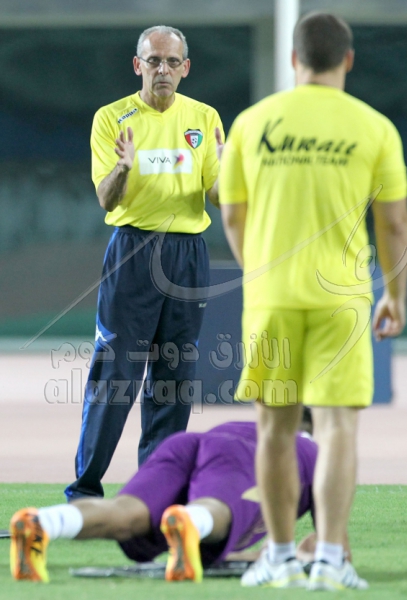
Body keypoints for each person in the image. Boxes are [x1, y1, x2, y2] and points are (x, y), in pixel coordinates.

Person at [219, 12, 407, 592]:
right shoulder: (374, 127)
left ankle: (279, 557)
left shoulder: (252, 123)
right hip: (342, 303)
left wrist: (260, 274)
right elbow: (394, 224)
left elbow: (232, 215)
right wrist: (395, 295)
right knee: (337, 429)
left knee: (275, 429)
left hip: (272, 298)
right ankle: (329, 558)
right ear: (347, 60)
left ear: (294, 60)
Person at [65, 25, 224, 501]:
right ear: (138, 65)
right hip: (133, 251)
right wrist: (123, 167)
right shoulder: (112, 118)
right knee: (115, 373)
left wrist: (231, 172)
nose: (163, 70)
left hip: (187, 256)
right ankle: (85, 492)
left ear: (185, 68)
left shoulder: (204, 117)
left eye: (172, 62)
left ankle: (157, 493)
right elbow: (106, 199)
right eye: (154, 61)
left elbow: (217, 196)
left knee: (174, 378)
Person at [10, 420, 318, 584]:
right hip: (242, 457)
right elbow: (329, 543)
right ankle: (191, 520)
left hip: (188, 443)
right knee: (216, 508)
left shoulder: (253, 424)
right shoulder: (315, 453)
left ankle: (44, 522)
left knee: (125, 512)